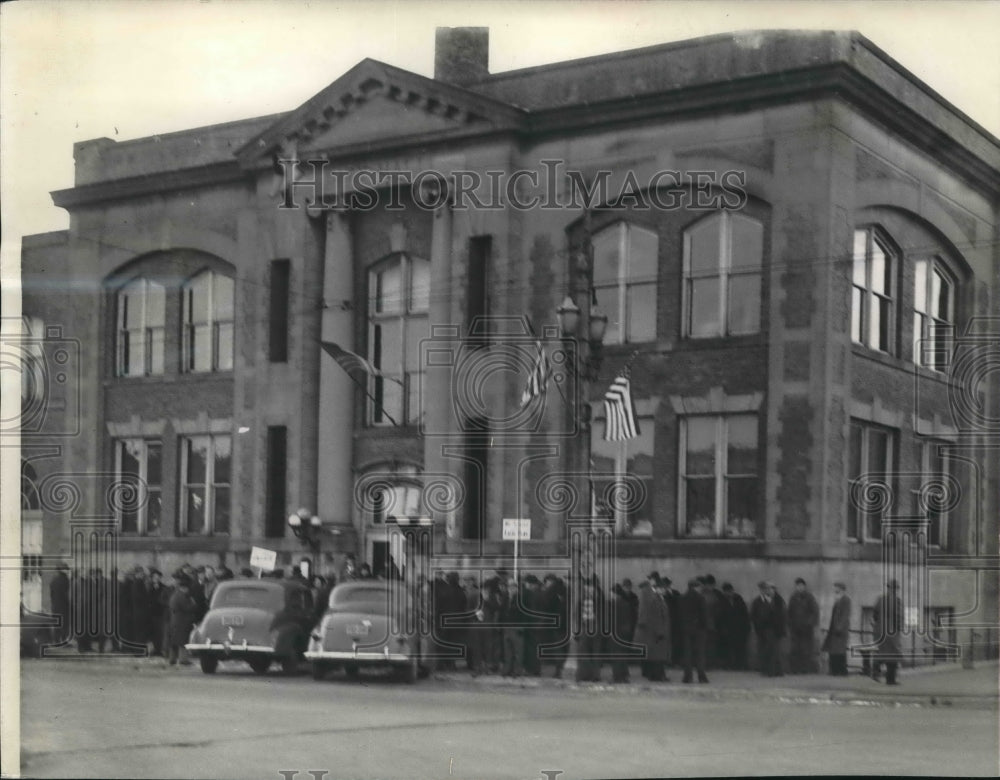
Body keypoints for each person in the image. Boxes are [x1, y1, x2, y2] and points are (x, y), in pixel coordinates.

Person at [633, 573, 670, 682]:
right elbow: (656, 617)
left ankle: (657, 675)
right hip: (658, 632)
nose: (664, 590)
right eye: (662, 589)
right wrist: (660, 631)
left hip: (658, 631)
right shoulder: (655, 600)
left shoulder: (658, 598)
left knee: (656, 655)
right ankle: (657, 676)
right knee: (657, 656)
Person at [750, 581, 786, 677]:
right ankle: (767, 670)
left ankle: (774, 671)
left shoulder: (778, 600)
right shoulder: (757, 601)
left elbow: (782, 615)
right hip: (763, 629)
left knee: (774, 651)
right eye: (764, 589)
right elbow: (753, 615)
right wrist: (758, 626)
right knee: (766, 650)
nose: (767, 591)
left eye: (769, 589)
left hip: (774, 629)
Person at [872, 579, 903, 685]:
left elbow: (875, 615)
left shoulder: (880, 599)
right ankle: (890, 679)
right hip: (891, 632)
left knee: (882, 652)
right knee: (892, 656)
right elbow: (898, 618)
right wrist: (899, 628)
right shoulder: (897, 601)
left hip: (880, 631)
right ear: (895, 589)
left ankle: (875, 670)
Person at [787, 577, 820, 673]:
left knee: (806, 649)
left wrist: (809, 623)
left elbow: (815, 612)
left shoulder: (809, 597)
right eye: (797, 586)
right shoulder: (793, 597)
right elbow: (789, 612)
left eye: (801, 586)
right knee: (795, 649)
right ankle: (795, 670)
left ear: (804, 587)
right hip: (795, 629)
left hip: (806, 629)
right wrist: (790, 624)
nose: (799, 588)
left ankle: (805, 670)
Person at [680, 578, 709, 684]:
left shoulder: (682, 598)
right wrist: (705, 627)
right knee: (700, 653)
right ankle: (701, 676)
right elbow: (704, 615)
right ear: (695, 587)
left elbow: (680, 614)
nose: (701, 589)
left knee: (687, 653)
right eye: (699, 587)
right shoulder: (701, 598)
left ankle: (687, 677)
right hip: (699, 630)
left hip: (686, 629)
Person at [539, 574, 568, 678]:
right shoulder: (565, 590)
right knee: (562, 648)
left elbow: (546, 603)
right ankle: (559, 669)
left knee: (559, 648)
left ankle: (559, 670)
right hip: (564, 624)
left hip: (559, 624)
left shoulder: (552, 591)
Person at [166, 576, 198, 666]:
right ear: (184, 588)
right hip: (182, 622)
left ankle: (172, 659)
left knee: (173, 642)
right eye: (187, 589)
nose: (188, 591)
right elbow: (188, 608)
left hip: (174, 621)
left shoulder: (174, 595)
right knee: (182, 641)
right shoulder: (182, 596)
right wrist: (193, 603)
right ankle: (183, 659)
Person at [821, 582, 852, 676]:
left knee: (840, 651)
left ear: (841, 589)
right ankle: (834, 670)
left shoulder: (846, 600)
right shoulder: (837, 600)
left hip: (840, 630)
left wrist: (839, 627)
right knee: (834, 650)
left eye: (836, 589)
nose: (835, 590)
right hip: (834, 630)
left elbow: (845, 615)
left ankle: (841, 671)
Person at [609, 583, 636, 683]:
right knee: (623, 654)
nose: (610, 595)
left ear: (615, 593)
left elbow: (611, 620)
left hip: (616, 633)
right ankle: (624, 676)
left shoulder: (613, 604)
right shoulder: (626, 604)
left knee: (615, 655)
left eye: (611, 593)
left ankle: (617, 676)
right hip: (625, 633)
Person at [49, 563, 71, 646]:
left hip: (55, 605)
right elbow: (66, 594)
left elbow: (51, 594)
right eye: (66, 569)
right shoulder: (65, 579)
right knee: (65, 624)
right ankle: (64, 641)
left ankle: (56, 640)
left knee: (57, 623)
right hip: (64, 605)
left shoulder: (53, 580)